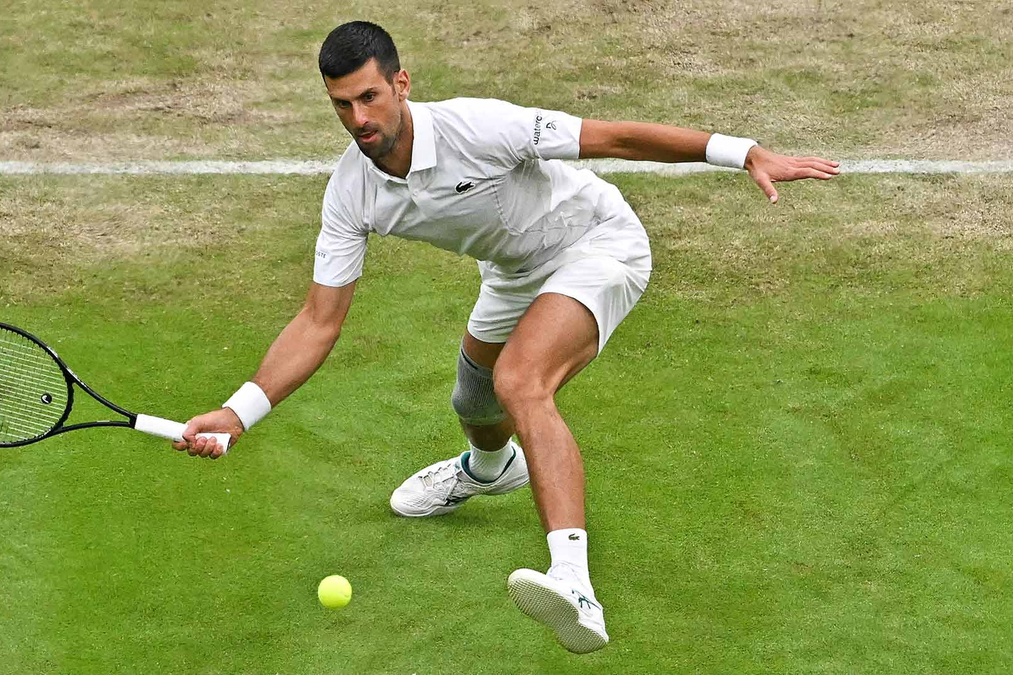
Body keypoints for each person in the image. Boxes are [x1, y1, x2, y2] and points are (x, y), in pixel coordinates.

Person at [173, 20, 839, 653]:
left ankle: (575, 584)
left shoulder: (480, 127)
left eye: (369, 97)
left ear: (402, 84)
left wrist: (741, 152)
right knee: (475, 403)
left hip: (596, 242)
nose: (359, 120)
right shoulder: (351, 192)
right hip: (514, 269)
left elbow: (616, 138)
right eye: (342, 105)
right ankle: (488, 470)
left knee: (521, 379)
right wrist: (239, 411)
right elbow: (319, 320)